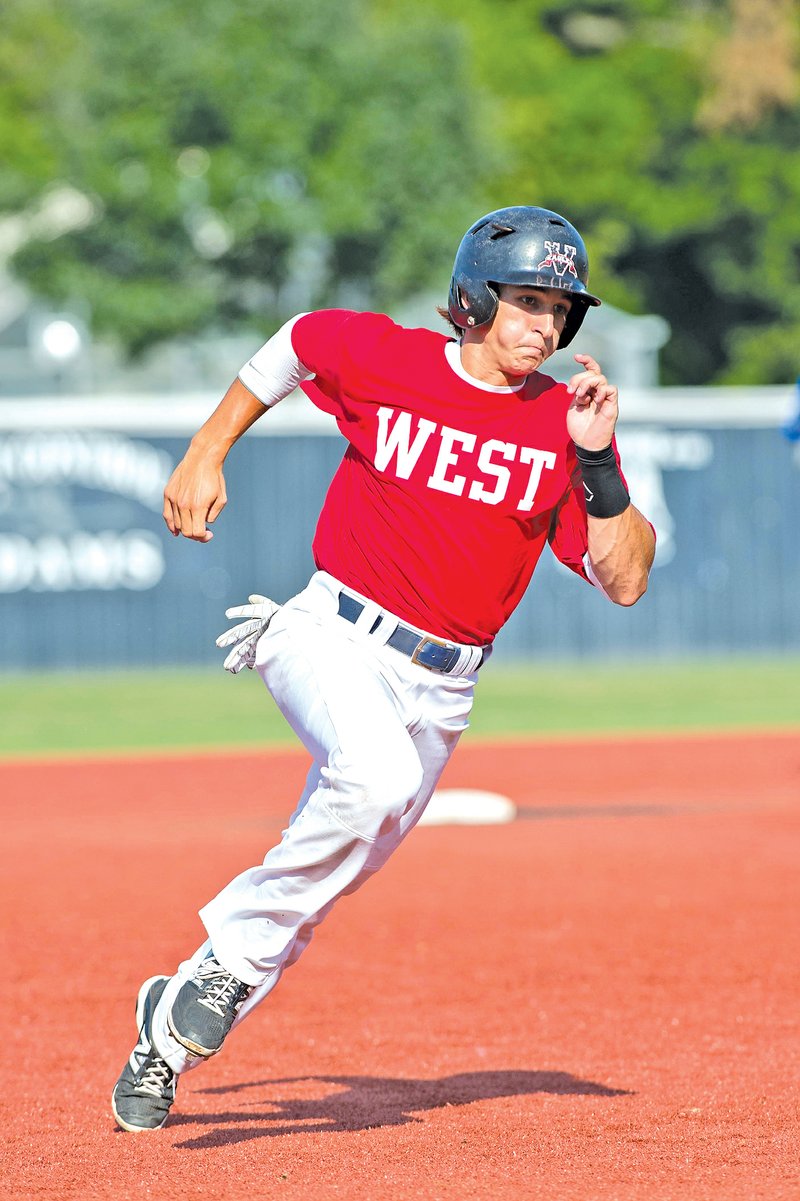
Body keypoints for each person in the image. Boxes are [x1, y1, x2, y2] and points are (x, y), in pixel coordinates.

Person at [111, 205, 655, 1132]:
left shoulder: (561, 432)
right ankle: (226, 966)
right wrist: (208, 448)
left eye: (561, 308)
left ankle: (169, 1026)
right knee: (372, 782)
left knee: (335, 866)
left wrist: (599, 461)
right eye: (528, 300)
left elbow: (627, 578)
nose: (548, 325)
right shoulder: (389, 360)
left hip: (444, 687)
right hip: (331, 631)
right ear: (475, 299)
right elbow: (295, 342)